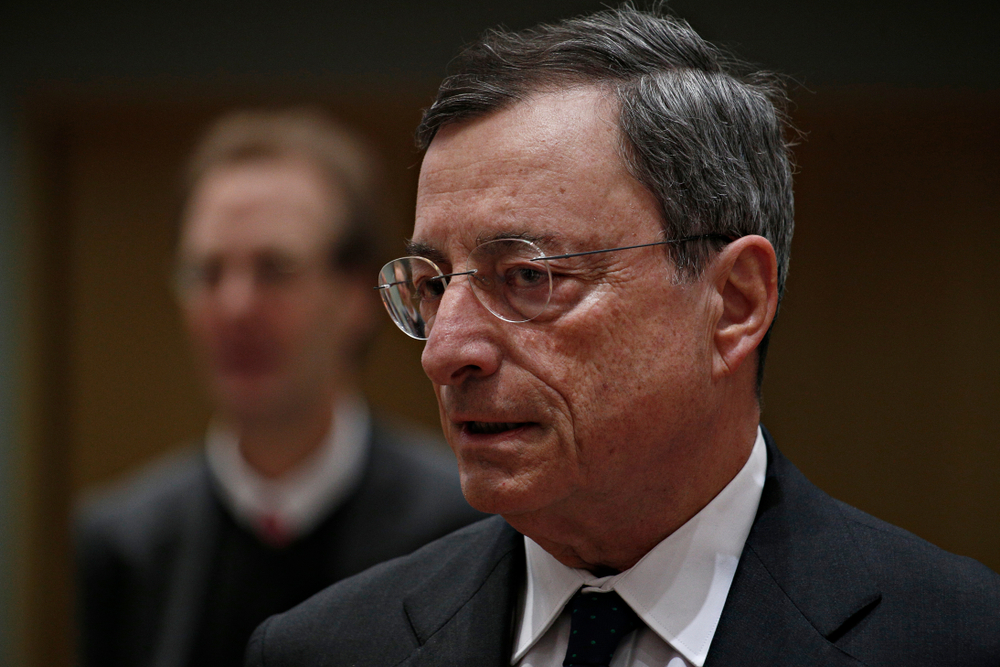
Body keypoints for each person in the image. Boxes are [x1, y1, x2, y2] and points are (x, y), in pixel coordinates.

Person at [245, 9, 1000, 667]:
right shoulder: (326, 647)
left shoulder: (959, 639)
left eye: (528, 276)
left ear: (734, 304)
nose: (444, 352)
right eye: (436, 283)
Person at [75, 108, 485, 667]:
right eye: (207, 272)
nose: (235, 307)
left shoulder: (464, 524)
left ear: (356, 296)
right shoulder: (125, 544)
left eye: (274, 268)